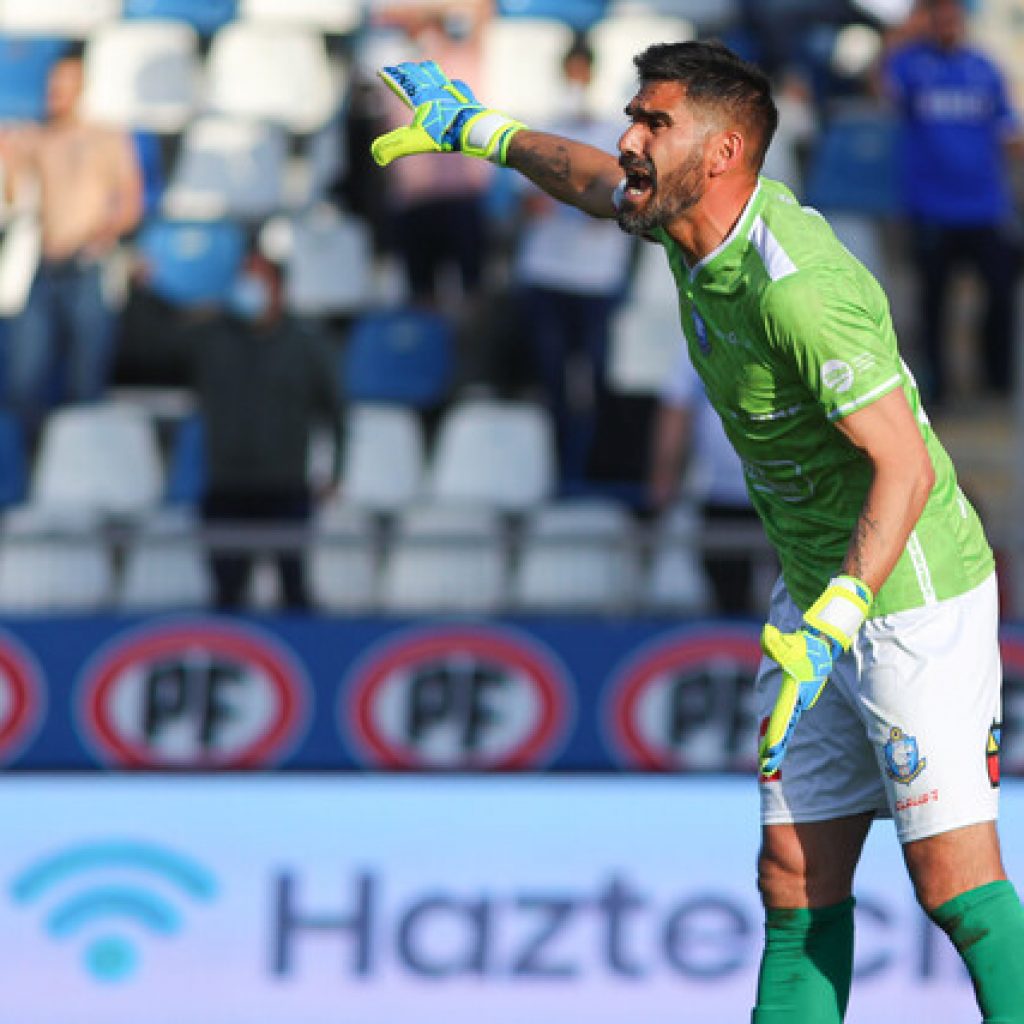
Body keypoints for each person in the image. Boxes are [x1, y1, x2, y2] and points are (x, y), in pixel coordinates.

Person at [370, 41, 1024, 1021]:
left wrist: (839, 611)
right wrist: (480, 131)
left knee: (950, 884)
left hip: (906, 595)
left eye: (653, 123)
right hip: (815, 590)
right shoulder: (678, 221)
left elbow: (907, 465)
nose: (627, 139)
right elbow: (590, 179)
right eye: (634, 116)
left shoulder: (795, 287)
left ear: (720, 155)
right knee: (792, 881)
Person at [141, 246, 344, 611]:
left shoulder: (306, 344)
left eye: (258, 278)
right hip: (227, 487)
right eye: (243, 278)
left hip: (286, 488)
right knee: (226, 596)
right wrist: (145, 292)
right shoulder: (211, 337)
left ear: (279, 288)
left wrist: (336, 471)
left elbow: (336, 411)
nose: (248, 287)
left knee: (295, 591)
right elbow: (150, 349)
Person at [880, 0, 1024, 407]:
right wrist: (906, 32)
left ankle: (997, 381)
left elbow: (1007, 127)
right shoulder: (910, 64)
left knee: (1000, 291)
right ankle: (938, 389)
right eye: (938, 17)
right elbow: (881, 90)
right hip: (931, 208)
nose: (947, 25)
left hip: (985, 206)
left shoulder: (984, 67)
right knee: (933, 304)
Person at [512, 37, 636, 483]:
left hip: (595, 279)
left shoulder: (610, 133)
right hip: (548, 275)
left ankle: (589, 469)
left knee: (595, 381)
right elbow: (527, 205)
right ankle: (561, 470)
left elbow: (620, 206)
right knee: (552, 382)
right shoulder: (543, 129)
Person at [0, 54, 143, 431]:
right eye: (52, 86)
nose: (56, 95)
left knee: (86, 379)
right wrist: (9, 163)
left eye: (64, 86)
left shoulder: (106, 138)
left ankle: (79, 469)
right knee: (24, 378)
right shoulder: (38, 139)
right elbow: (13, 200)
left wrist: (99, 238)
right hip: (46, 266)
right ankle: (27, 469)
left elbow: (131, 202)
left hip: (88, 267)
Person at [648, 334, 762, 616]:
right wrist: (664, 475)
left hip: (787, 491)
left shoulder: (788, 328)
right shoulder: (702, 337)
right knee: (729, 603)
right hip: (720, 493)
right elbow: (676, 409)